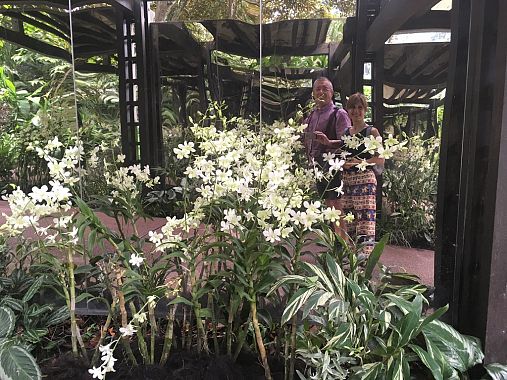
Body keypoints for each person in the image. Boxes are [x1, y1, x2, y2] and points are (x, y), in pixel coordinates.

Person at [303, 77, 350, 235]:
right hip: (317, 166)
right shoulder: (311, 116)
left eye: (325, 89)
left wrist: (329, 142)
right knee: (328, 204)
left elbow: (349, 142)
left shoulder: (339, 113)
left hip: (333, 165)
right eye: (318, 89)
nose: (321, 92)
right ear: (313, 93)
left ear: (332, 93)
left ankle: (343, 243)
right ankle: (335, 241)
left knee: (336, 204)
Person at [341, 93, 384, 255]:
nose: (356, 111)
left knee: (365, 223)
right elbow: (343, 155)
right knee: (350, 221)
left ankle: (364, 262)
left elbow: (381, 159)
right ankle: (352, 261)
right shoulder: (346, 133)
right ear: (347, 110)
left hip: (365, 181)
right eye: (352, 107)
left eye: (360, 107)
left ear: (365, 110)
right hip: (347, 181)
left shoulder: (372, 132)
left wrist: (361, 163)